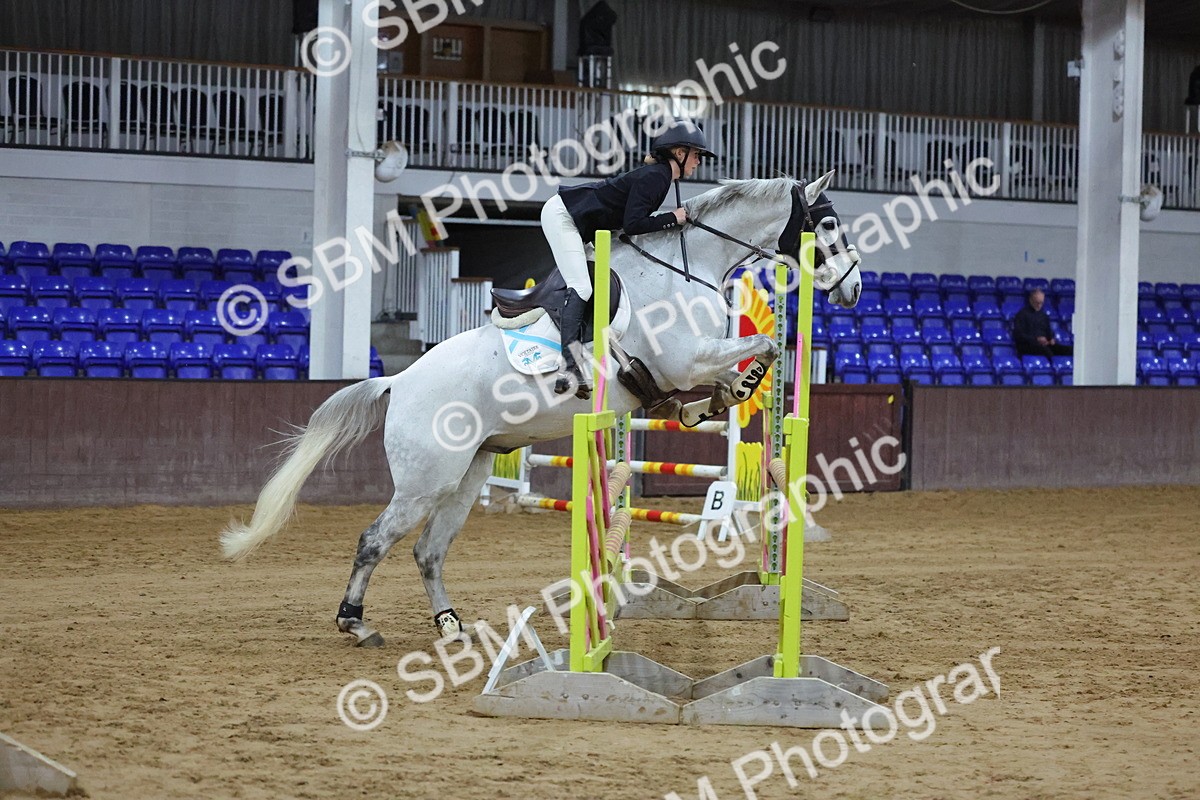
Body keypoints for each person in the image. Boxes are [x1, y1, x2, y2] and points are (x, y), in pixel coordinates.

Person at [540, 120, 716, 398]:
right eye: (696, 155)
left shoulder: (660, 177)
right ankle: (568, 369)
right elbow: (634, 225)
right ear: (679, 154)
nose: (698, 162)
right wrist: (673, 218)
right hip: (563, 217)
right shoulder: (657, 177)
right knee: (583, 288)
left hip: (581, 223)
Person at [1013, 288, 1072, 358]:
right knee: (1046, 351)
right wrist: (1036, 339)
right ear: (1031, 300)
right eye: (1037, 302)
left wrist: (1051, 339)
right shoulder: (1021, 315)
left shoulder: (1043, 315)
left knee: (1069, 350)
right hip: (1028, 345)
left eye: (1041, 303)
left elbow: (1049, 331)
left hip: (1044, 344)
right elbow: (1019, 335)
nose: (1039, 305)